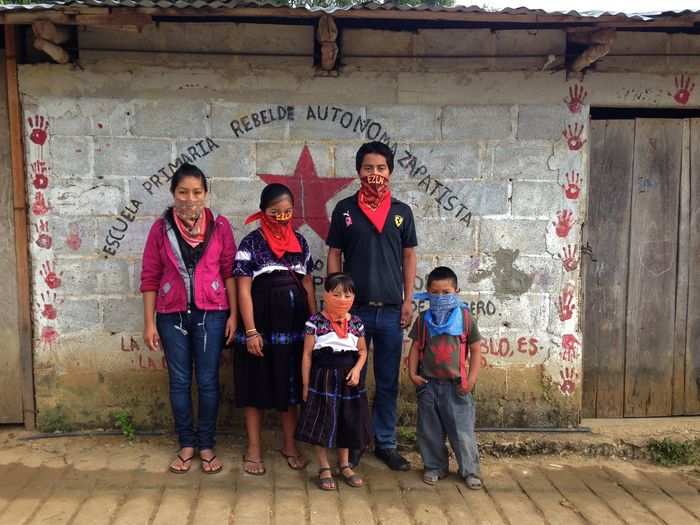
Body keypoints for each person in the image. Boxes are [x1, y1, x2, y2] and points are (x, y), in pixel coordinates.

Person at [141, 163, 237, 475]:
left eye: (196, 192)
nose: (190, 198)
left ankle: (206, 445)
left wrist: (234, 314)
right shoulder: (160, 229)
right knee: (180, 381)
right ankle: (186, 444)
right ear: (173, 194)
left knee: (208, 381)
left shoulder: (220, 226)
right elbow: (150, 277)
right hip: (171, 315)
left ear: (206, 194)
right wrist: (149, 322)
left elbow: (229, 272)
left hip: (212, 313)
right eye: (183, 192)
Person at [326, 141, 417, 470]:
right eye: (368, 168)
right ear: (358, 171)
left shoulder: (401, 212)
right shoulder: (345, 210)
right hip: (356, 312)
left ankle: (386, 442)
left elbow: (409, 256)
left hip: (392, 311)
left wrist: (408, 300)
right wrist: (337, 301)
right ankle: (354, 442)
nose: (374, 174)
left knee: (388, 380)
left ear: (389, 171)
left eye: (380, 168)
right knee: (354, 379)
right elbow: (334, 252)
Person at [233, 183, 317, 476]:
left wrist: (314, 325)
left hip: (292, 332)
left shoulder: (301, 243)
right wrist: (252, 331)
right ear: (262, 212)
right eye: (275, 212)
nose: (281, 217)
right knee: (255, 386)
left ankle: (289, 446)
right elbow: (243, 291)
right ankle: (254, 449)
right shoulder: (250, 244)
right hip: (261, 329)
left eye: (287, 212)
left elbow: (307, 285)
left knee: (289, 387)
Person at [407, 266, 483, 489]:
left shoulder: (466, 319)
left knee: (462, 432)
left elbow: (477, 349)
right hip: (428, 385)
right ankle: (434, 467)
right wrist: (412, 374)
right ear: (428, 293)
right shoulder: (423, 320)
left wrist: (471, 379)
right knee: (429, 430)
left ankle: (469, 471)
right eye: (435, 293)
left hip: (457, 387)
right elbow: (414, 348)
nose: (441, 297)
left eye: (446, 292)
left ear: (456, 291)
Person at [295, 273, 371, 490]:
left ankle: (345, 464)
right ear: (326, 295)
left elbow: (363, 351)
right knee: (323, 421)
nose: (342, 299)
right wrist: (305, 384)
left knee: (346, 420)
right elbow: (307, 355)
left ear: (353, 297)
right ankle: (324, 466)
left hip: (348, 380)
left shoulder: (356, 323)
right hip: (323, 379)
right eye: (336, 294)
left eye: (347, 295)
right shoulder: (315, 322)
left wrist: (357, 370)